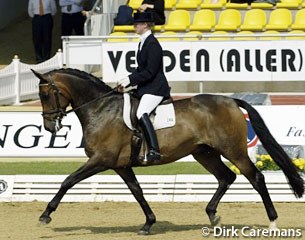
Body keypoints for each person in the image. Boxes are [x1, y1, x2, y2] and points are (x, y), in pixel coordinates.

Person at [118, 12, 171, 162]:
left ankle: (154, 150)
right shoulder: (143, 42)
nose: (134, 26)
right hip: (146, 87)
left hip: (156, 88)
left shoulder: (152, 44)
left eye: (137, 24)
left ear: (145, 25)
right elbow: (141, 69)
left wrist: (130, 79)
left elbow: (150, 71)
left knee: (141, 112)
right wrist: (126, 80)